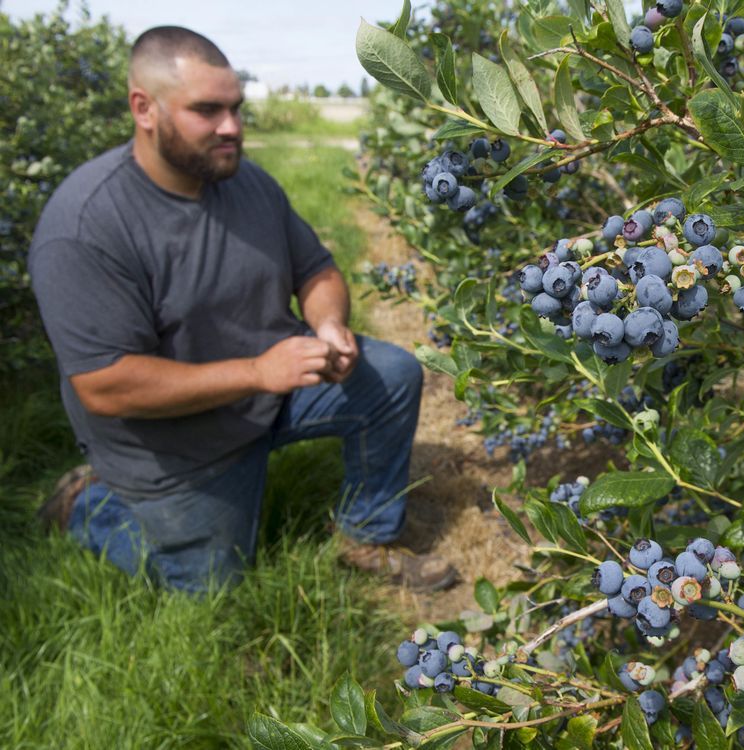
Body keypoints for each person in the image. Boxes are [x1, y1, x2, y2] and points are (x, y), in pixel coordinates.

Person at [29, 26, 456, 593]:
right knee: (213, 586)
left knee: (393, 375)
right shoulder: (86, 226)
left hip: (271, 389)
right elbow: (107, 385)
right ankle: (88, 504)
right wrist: (258, 372)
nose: (231, 127)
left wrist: (329, 324)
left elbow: (317, 270)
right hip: (173, 444)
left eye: (235, 108)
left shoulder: (245, 182)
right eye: (207, 111)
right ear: (143, 109)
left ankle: (367, 535)